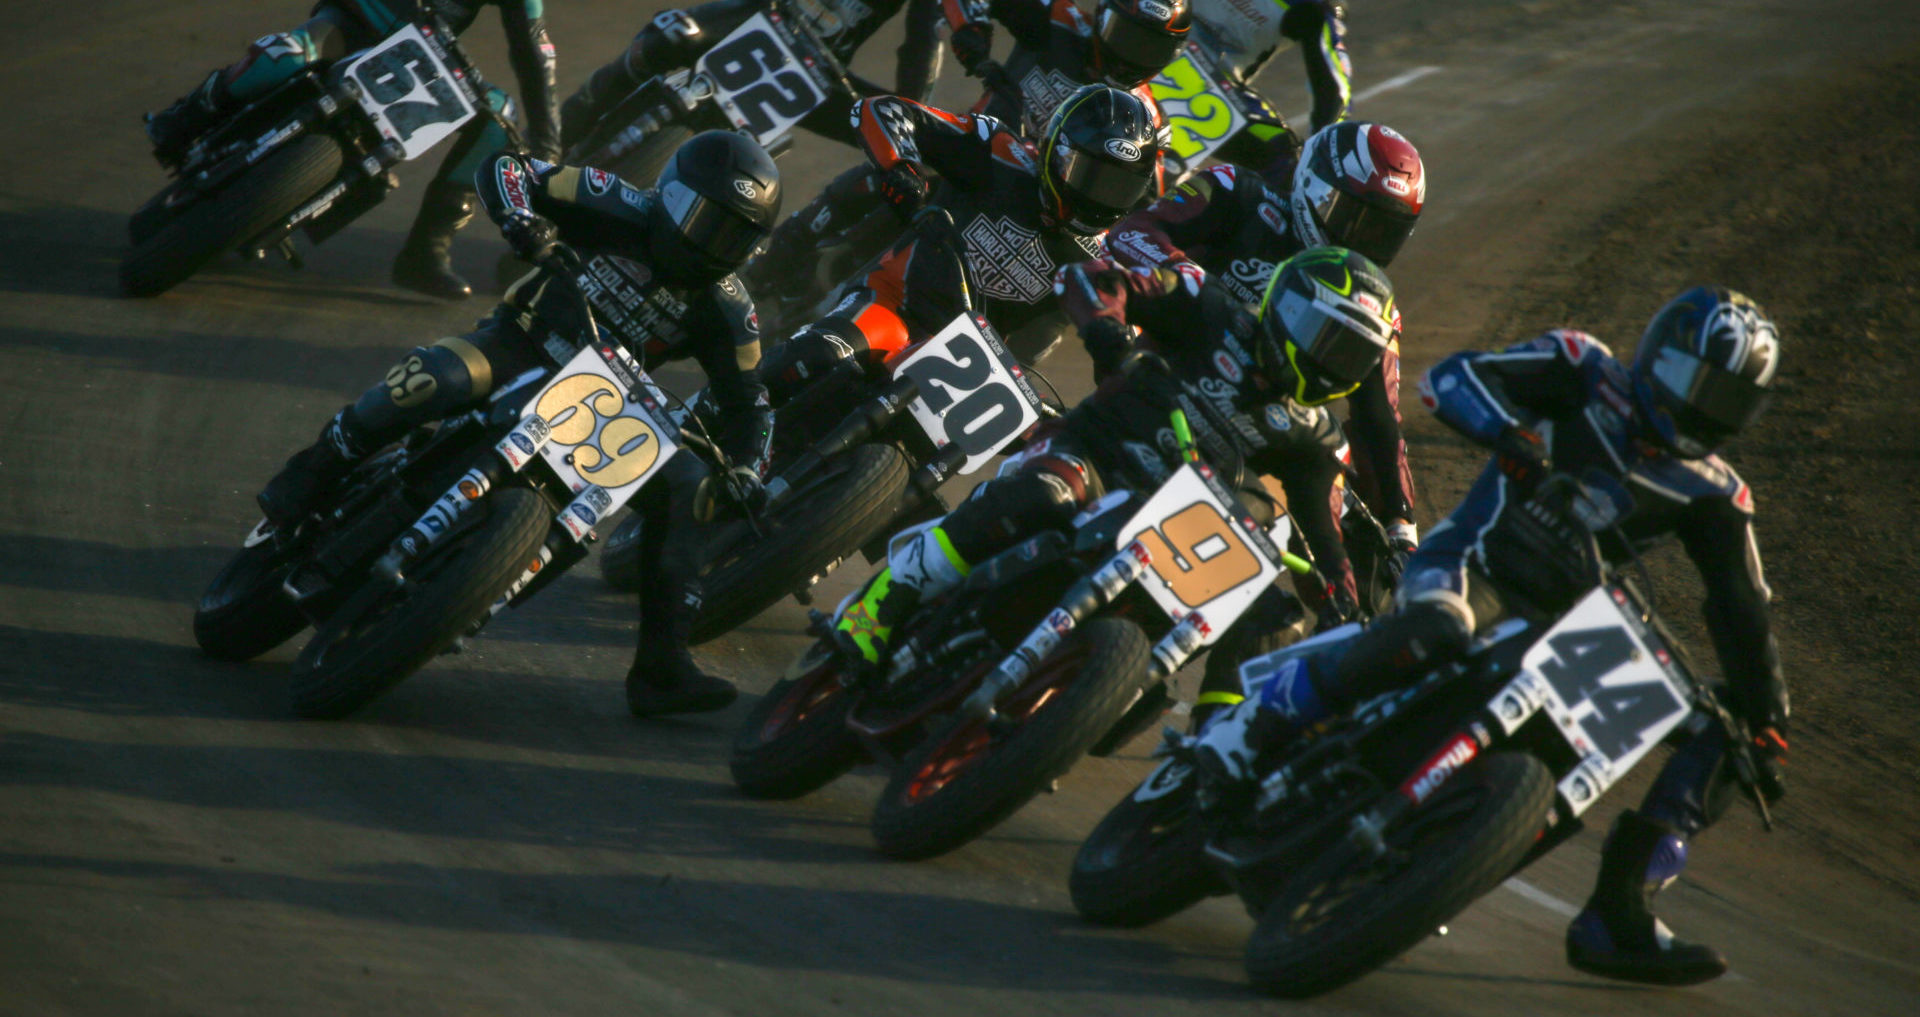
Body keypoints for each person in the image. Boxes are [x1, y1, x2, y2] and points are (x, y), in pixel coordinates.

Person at [1194, 287, 1789, 985]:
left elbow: (1743, 610)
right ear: (1660, 356)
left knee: (1733, 734)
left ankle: (1620, 904)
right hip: (1476, 565)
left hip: (1573, 624)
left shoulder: (1719, 493)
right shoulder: (1583, 367)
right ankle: (1258, 727)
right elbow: (1453, 377)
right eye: (1696, 385)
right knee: (1440, 625)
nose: (1701, 410)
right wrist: (1508, 434)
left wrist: (1769, 719)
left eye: (1726, 401)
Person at [254, 132, 783, 716]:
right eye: (703, 219)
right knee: (434, 380)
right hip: (523, 341)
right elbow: (508, 167)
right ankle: (310, 471)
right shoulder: (613, 200)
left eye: (734, 233)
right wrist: (520, 221)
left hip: (611, 403)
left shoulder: (732, 309)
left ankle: (663, 663)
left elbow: (750, 401)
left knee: (693, 492)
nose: (712, 242)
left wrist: (747, 470)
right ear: (669, 194)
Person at [832, 245, 1398, 666]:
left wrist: (1343, 607)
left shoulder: (1315, 437)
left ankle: (1118, 721)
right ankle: (882, 601)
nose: (1331, 360)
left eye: (1350, 353)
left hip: (1172, 530)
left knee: (1242, 616)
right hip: (1092, 454)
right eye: (1324, 336)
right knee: (1043, 494)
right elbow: (1093, 278)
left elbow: (1324, 534)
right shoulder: (1210, 308)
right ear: (1286, 307)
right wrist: (1107, 331)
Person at [1106, 121, 1427, 625]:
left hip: (1269, 434)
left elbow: (1379, 417)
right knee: (1058, 467)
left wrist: (1401, 527)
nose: (1365, 241)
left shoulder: (1369, 302)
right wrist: (1192, 281)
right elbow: (1132, 232)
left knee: (1354, 581)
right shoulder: (1237, 190)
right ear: (1316, 189)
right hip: (1171, 381)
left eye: (1383, 230)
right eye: (1355, 218)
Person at [143, 1, 563, 300]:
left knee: (499, 122)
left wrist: (547, 139)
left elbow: (533, 46)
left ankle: (427, 248)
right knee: (289, 52)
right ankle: (185, 117)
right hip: (362, 17)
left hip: (426, 57)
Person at [757, 84, 1160, 394]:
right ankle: (718, 414)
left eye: (1116, 186)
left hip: (982, 376)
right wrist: (901, 168)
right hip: (897, 304)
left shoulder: (1109, 256)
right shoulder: (998, 151)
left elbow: (1134, 343)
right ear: (1055, 152)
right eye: (1088, 174)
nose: (1096, 195)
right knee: (812, 357)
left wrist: (1120, 355)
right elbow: (883, 110)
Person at [557, 0, 946, 153]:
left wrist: (909, 111)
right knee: (662, 39)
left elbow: (924, 42)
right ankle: (550, 144)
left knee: (891, 137)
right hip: (759, 12)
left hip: (817, 69)